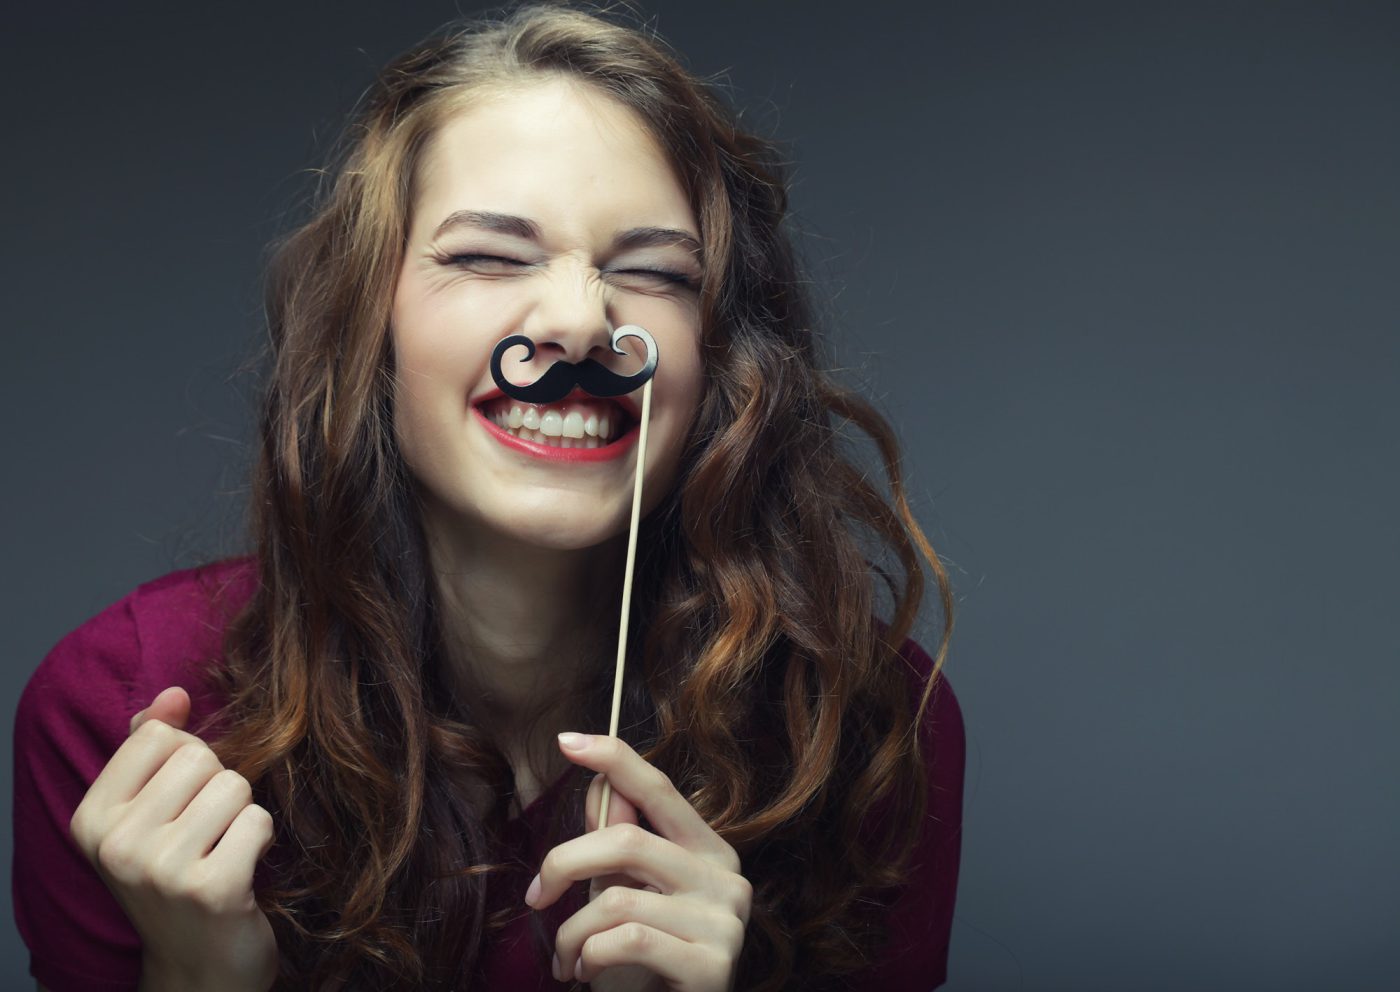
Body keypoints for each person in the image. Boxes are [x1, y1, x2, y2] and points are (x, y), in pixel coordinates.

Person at [12, 4, 964, 990]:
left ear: (719, 354)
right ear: (365, 318)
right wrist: (198, 974)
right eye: (486, 256)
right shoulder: (122, 709)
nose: (577, 320)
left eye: (651, 272)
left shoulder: (864, 726)